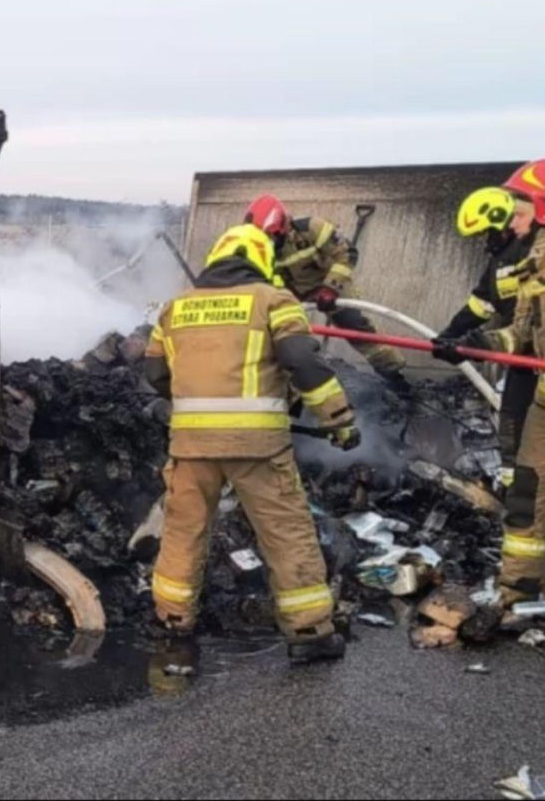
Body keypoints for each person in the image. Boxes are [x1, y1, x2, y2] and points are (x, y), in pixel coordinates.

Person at [144, 223, 360, 663]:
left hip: (190, 447)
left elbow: (154, 375)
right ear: (262, 259)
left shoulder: (175, 308)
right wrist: (338, 419)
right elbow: (302, 361)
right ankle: (309, 633)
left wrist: (193, 405)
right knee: (285, 533)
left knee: (183, 533)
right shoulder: (274, 300)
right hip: (257, 448)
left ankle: (172, 622)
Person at [434, 167, 545, 606]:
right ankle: (520, 589)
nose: (513, 225)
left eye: (518, 214)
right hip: (535, 383)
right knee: (527, 486)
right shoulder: (517, 263)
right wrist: (465, 342)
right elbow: (522, 331)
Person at [244, 194, 409, 392]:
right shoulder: (255, 247)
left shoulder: (312, 228)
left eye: (274, 237)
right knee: (279, 336)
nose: (271, 243)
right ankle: (285, 384)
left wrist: (330, 287)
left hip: (330, 285)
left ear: (284, 225)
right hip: (292, 292)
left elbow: (347, 254)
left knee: (357, 329)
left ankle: (395, 377)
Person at [436, 185, 538, 490]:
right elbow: (481, 304)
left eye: (487, 232)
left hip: (527, 347)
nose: (485, 240)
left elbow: (532, 321)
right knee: (511, 421)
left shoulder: (536, 249)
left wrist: (480, 345)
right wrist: (449, 335)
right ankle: (514, 493)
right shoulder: (499, 260)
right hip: (520, 356)